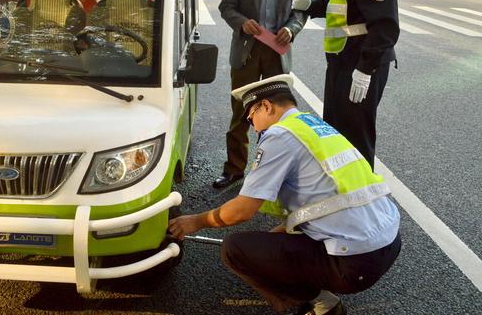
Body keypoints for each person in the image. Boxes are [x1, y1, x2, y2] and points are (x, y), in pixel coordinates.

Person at [169, 74, 401, 315]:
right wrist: (270, 249)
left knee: (234, 249)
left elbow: (242, 210)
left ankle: (322, 305)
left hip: (354, 263)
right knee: (265, 249)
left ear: (266, 106)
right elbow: (321, 198)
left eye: (251, 118)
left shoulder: (279, 135)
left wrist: (195, 221)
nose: (254, 128)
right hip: (389, 243)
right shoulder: (314, 127)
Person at [291, 0, 400, 168]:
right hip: (342, 60)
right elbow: (338, 2)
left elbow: (385, 25)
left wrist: (365, 70)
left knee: (356, 136)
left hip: (362, 63)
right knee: (336, 131)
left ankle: (363, 203)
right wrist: (308, 6)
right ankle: (341, 196)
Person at [214, 0, 307, 188]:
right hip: (246, 51)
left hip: (277, 53)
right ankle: (234, 169)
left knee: (279, 116)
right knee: (241, 112)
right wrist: (242, 23)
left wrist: (291, 29)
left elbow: (301, 13)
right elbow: (226, 7)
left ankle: (272, 174)